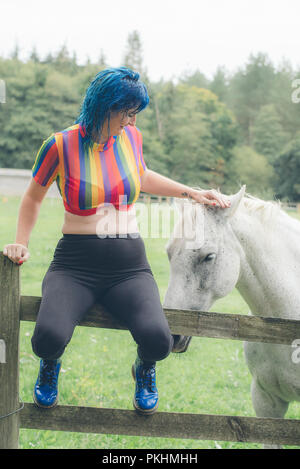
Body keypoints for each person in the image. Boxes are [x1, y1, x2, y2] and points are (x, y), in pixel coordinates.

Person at [3, 67, 231, 415]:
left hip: (128, 267)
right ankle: (50, 366)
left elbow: (142, 175)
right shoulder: (60, 145)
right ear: (104, 106)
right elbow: (33, 197)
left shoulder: (131, 138)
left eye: (134, 114)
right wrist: (20, 241)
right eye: (127, 113)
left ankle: (144, 369)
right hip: (75, 265)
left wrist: (193, 193)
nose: (131, 121)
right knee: (47, 336)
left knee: (158, 340)